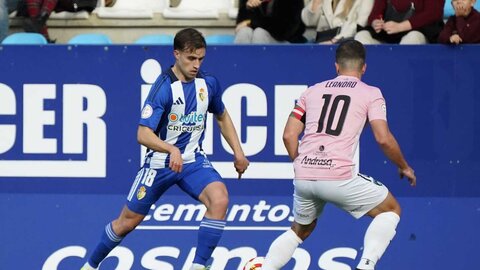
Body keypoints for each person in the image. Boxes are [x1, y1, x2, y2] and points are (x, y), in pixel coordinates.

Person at [81, 28, 250, 270]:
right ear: (176, 54)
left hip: (192, 161)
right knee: (127, 223)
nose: (196, 65)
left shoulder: (208, 84)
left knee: (220, 199)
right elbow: (143, 134)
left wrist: (238, 151)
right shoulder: (162, 88)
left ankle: (198, 266)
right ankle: (91, 265)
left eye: (200, 59)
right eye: (191, 58)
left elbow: (222, 116)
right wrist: (170, 149)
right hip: (160, 164)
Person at [261, 40, 416, 270]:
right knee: (390, 210)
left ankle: (266, 267)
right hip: (338, 176)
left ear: (336, 66)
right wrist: (404, 166)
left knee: (300, 230)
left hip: (304, 174)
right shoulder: (371, 93)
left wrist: (302, 164)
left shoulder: (311, 91)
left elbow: (288, 135)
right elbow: (383, 138)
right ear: (363, 67)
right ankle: (366, 264)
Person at [354, 0, 445, 44]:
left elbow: (434, 13)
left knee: (412, 38)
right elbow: (375, 13)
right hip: (389, 34)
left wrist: (400, 26)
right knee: (361, 36)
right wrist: (376, 22)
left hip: (421, 32)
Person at [302, 0, 374, 44]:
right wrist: (316, 2)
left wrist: (333, 41)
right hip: (321, 40)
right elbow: (309, 22)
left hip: (347, 42)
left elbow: (359, 24)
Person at [234, 0, 307, 44]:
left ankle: (259, 68)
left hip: (289, 43)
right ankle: (238, 67)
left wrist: (250, 23)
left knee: (260, 33)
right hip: (263, 39)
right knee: (244, 32)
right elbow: (240, 25)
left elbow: (282, 31)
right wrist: (248, 8)